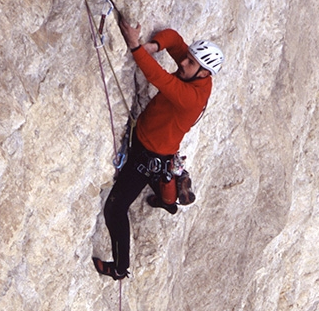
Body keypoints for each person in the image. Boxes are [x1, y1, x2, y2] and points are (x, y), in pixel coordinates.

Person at [92, 16, 224, 279]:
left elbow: (157, 77)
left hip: (148, 154)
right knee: (159, 176)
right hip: (154, 145)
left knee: (115, 208)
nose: (182, 63)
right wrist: (154, 46)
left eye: (190, 63)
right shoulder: (195, 74)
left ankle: (120, 268)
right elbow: (174, 38)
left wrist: (135, 47)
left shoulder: (191, 97)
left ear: (204, 73)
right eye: (186, 58)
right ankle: (168, 199)